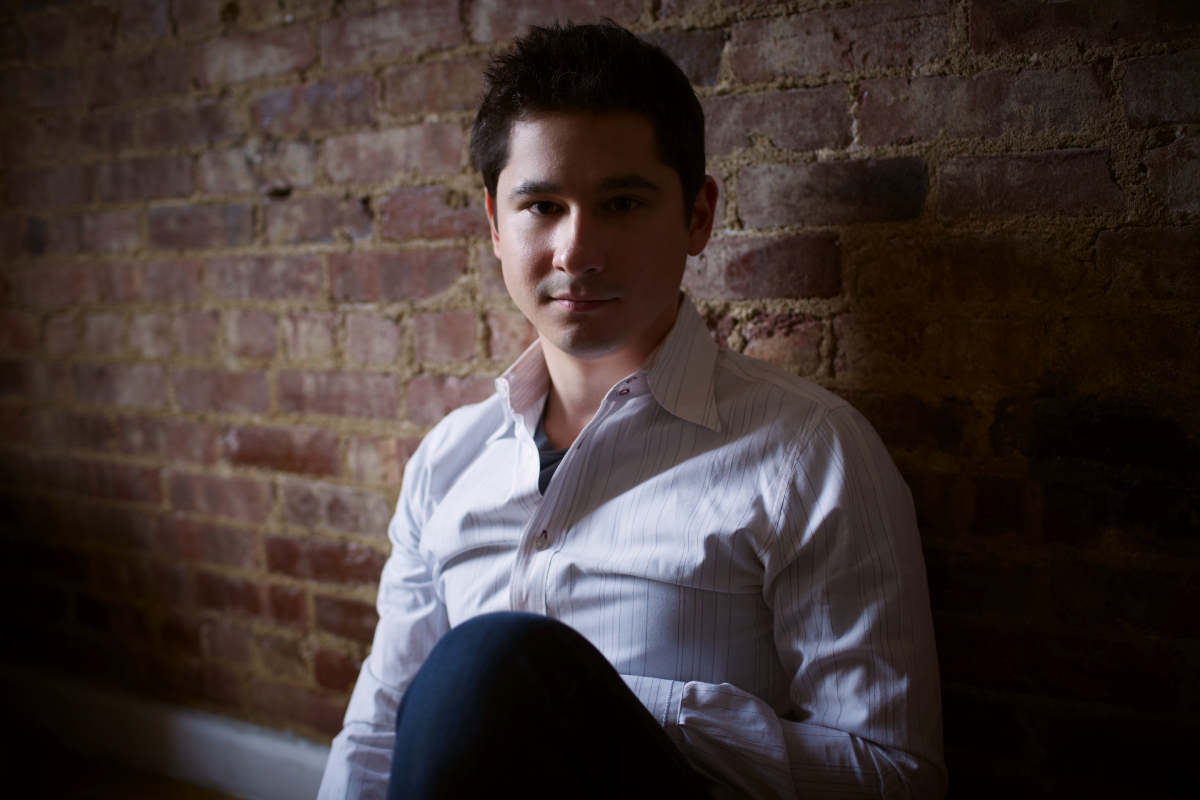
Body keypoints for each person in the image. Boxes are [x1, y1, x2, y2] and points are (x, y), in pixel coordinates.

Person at [318, 21, 946, 800]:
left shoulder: (807, 454)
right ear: (494, 225)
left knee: (488, 666)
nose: (577, 252)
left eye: (621, 202)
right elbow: (377, 734)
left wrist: (589, 705)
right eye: (541, 205)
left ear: (697, 216)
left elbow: (895, 776)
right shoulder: (447, 461)